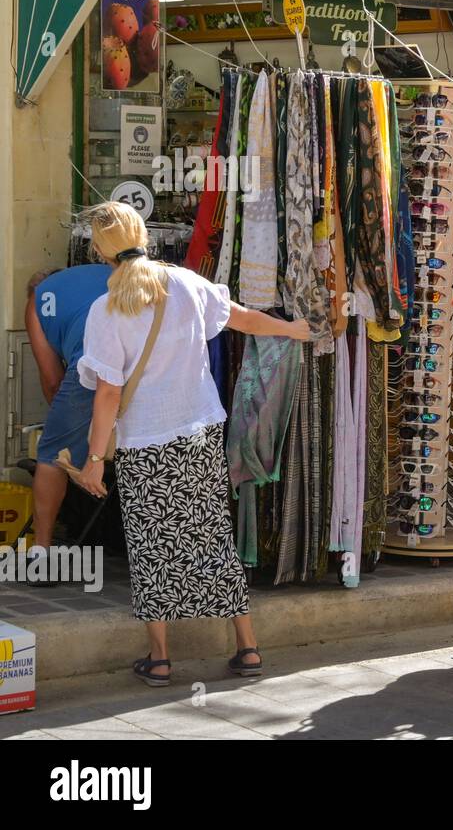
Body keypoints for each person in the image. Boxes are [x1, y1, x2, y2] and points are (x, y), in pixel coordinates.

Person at [75, 202, 310, 686]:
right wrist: (291, 329)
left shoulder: (106, 309)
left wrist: (95, 459)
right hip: (199, 434)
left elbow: (108, 393)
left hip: (145, 444)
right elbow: (243, 318)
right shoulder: (185, 283)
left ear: (99, 249)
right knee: (212, 539)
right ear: (144, 234)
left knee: (152, 547)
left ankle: (160, 660)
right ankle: (248, 649)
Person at [22, 263, 111, 584]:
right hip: (151, 362)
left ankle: (41, 555)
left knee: (52, 452)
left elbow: (52, 380)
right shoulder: (95, 274)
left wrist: (66, 425)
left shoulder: (38, 301)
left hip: (92, 364)